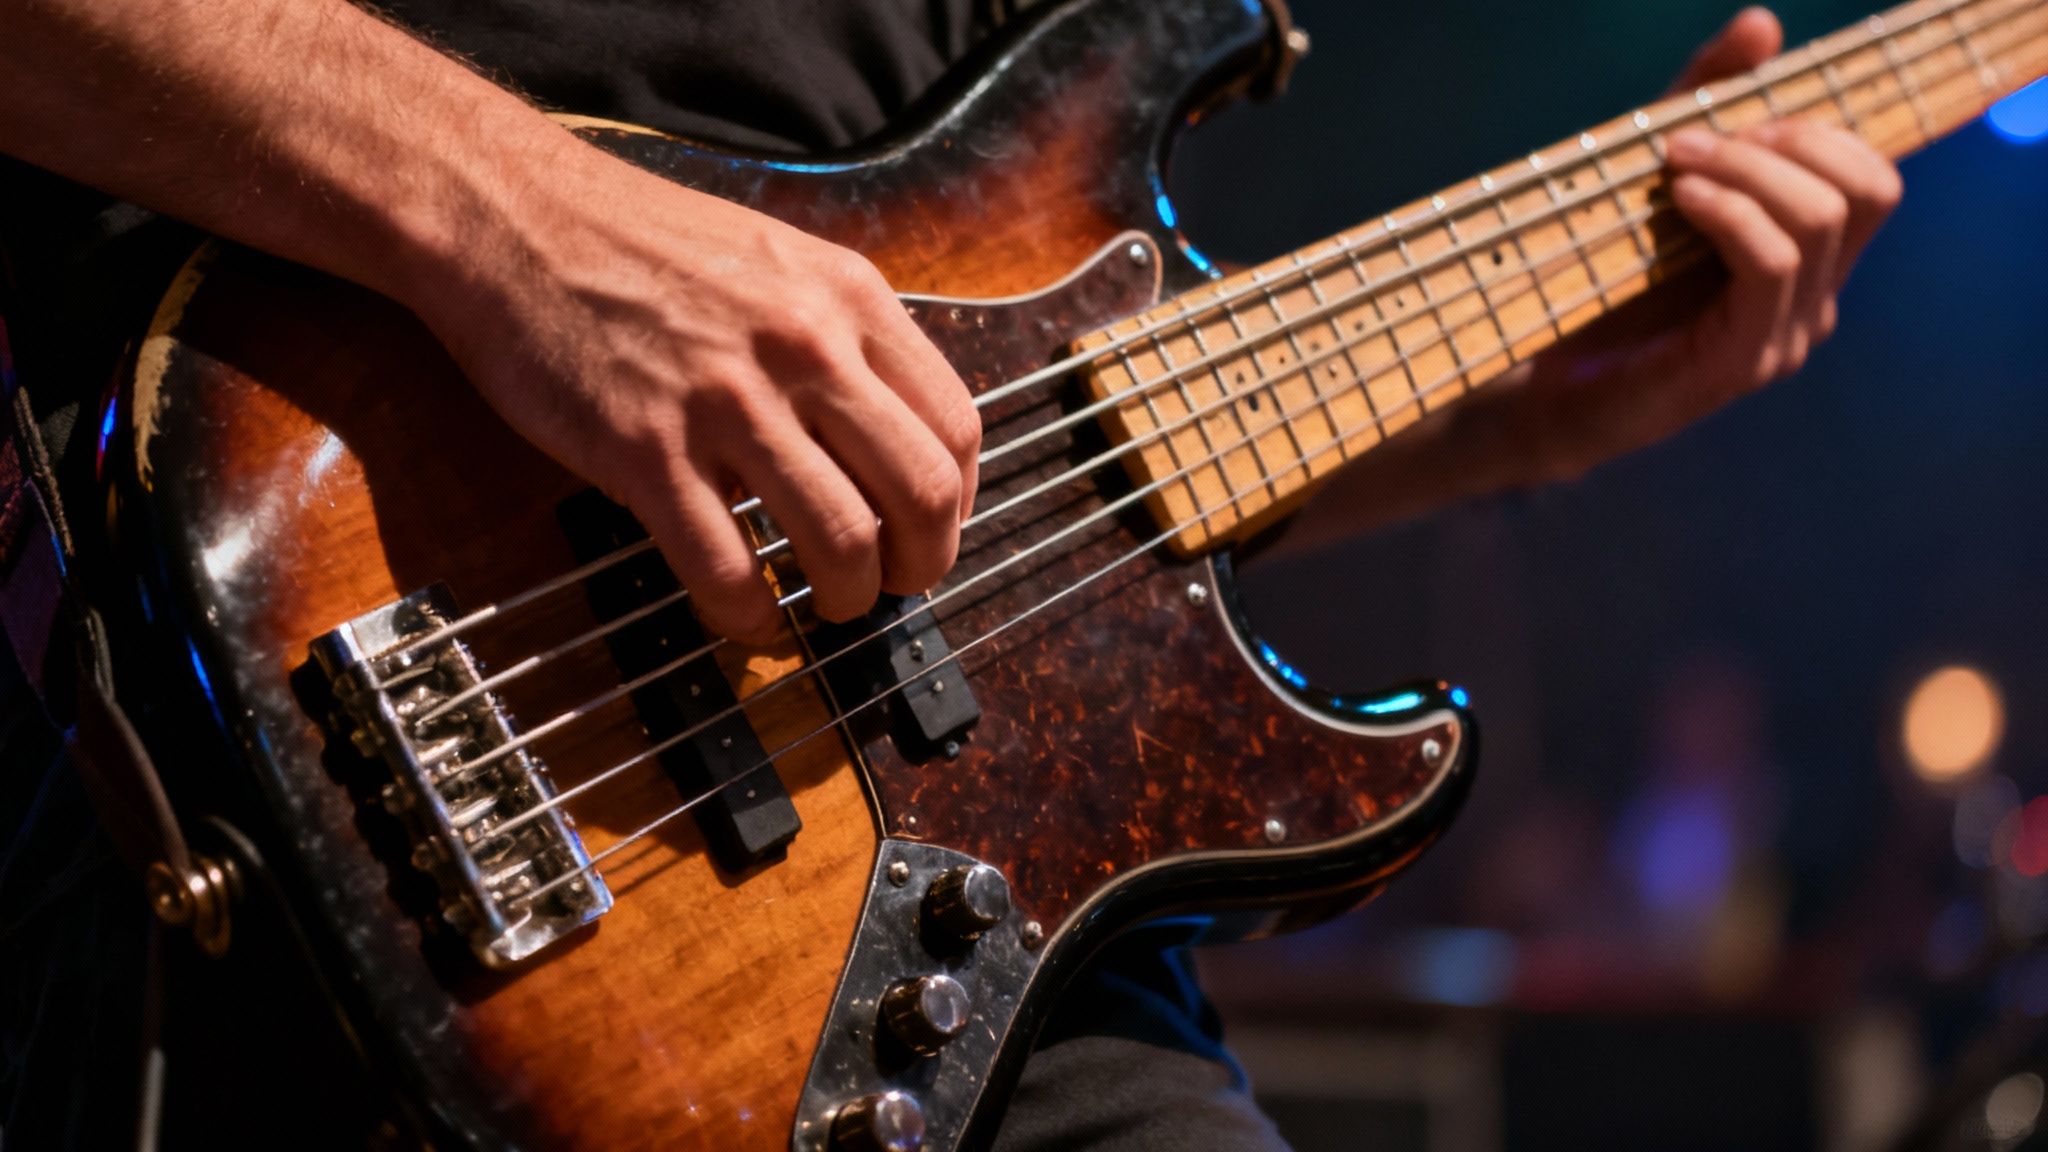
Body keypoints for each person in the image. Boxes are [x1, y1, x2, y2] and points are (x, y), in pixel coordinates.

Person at [0, 0, 1902, 1148]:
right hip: (264, 696)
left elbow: (1033, 440)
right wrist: (519, 224)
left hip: (966, 950)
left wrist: (1532, 419)